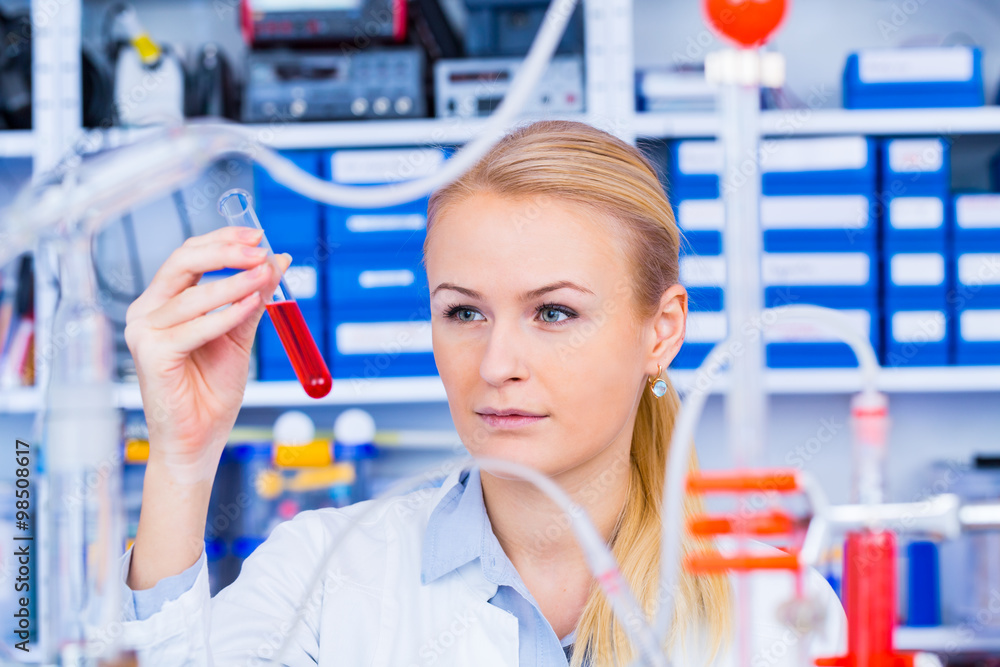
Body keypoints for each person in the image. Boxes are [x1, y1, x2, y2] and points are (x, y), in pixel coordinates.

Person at [118, 120, 846, 666]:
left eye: (553, 312)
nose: (497, 362)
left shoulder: (778, 607)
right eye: (464, 312)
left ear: (661, 331)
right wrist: (183, 459)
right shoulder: (323, 569)